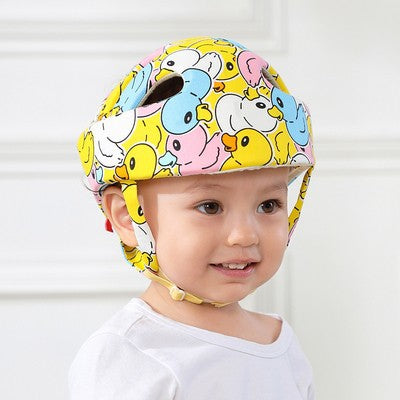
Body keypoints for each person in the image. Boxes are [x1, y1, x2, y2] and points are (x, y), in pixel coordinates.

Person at [69, 36, 316, 399]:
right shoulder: (129, 357)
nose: (244, 235)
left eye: (268, 205)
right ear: (128, 216)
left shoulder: (281, 346)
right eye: (210, 207)